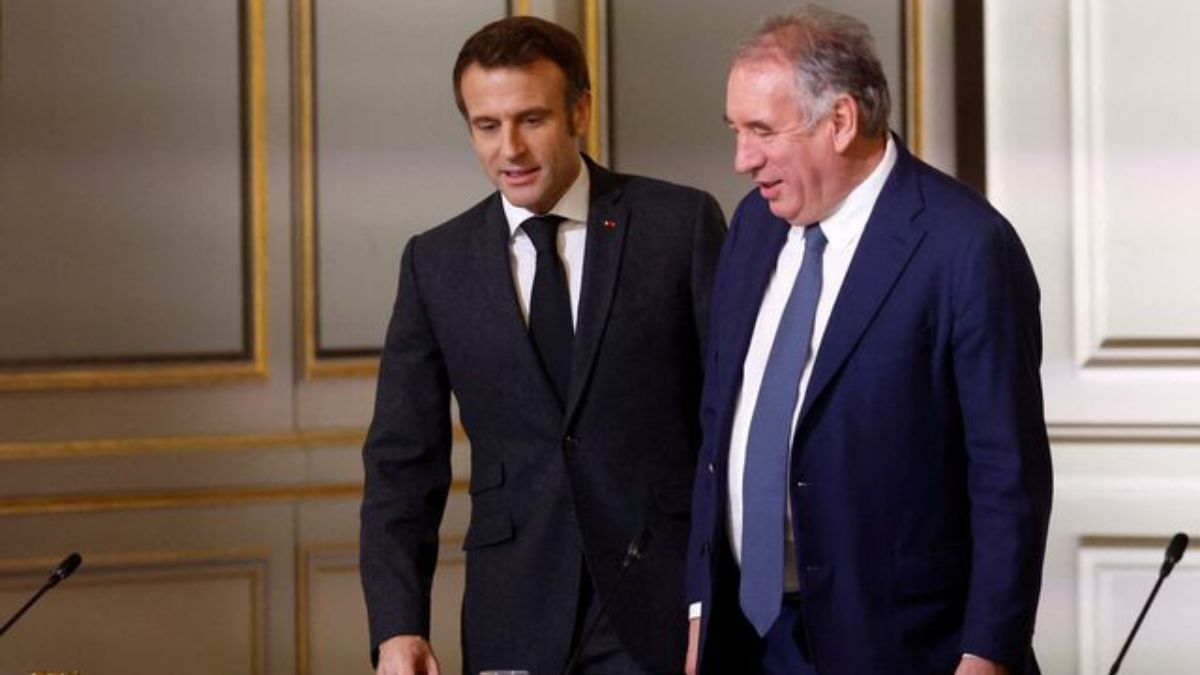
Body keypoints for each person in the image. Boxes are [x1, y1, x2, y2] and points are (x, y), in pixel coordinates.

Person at [685, 6, 1052, 675]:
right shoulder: (752, 228)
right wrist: (699, 612)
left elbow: (1009, 476)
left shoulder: (964, 246)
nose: (742, 159)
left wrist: (988, 652)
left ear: (841, 121)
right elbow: (720, 427)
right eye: (736, 131)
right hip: (748, 638)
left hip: (905, 644)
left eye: (762, 131)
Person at [360, 15, 725, 675]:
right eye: (486, 125)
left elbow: (730, 426)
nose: (511, 149)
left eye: (532, 119)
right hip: (514, 607)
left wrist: (712, 600)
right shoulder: (436, 263)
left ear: (580, 110)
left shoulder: (679, 226)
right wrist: (397, 626)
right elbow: (401, 465)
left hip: (662, 599)